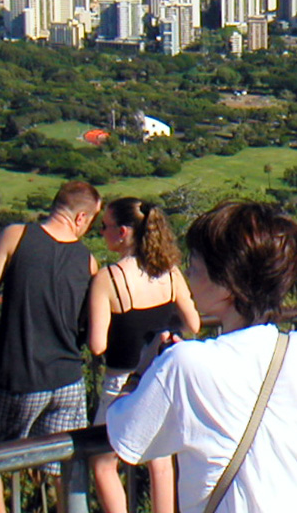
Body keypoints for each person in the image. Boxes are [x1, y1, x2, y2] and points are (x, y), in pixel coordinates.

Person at [105, 201, 297, 513]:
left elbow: (125, 435)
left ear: (228, 284)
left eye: (196, 267)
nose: (188, 274)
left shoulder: (185, 362)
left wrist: (142, 371)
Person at [0, 180, 102, 513]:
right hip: (67, 379)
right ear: (81, 218)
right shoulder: (88, 261)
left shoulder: (16, 236)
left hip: (17, 375)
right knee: (65, 463)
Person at [88, 198, 201, 513]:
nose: (102, 232)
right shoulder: (170, 272)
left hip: (122, 381)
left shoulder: (108, 279)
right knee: (160, 461)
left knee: (102, 461)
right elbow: (193, 323)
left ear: (123, 232)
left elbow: (97, 344)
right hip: (161, 378)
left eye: (105, 226)